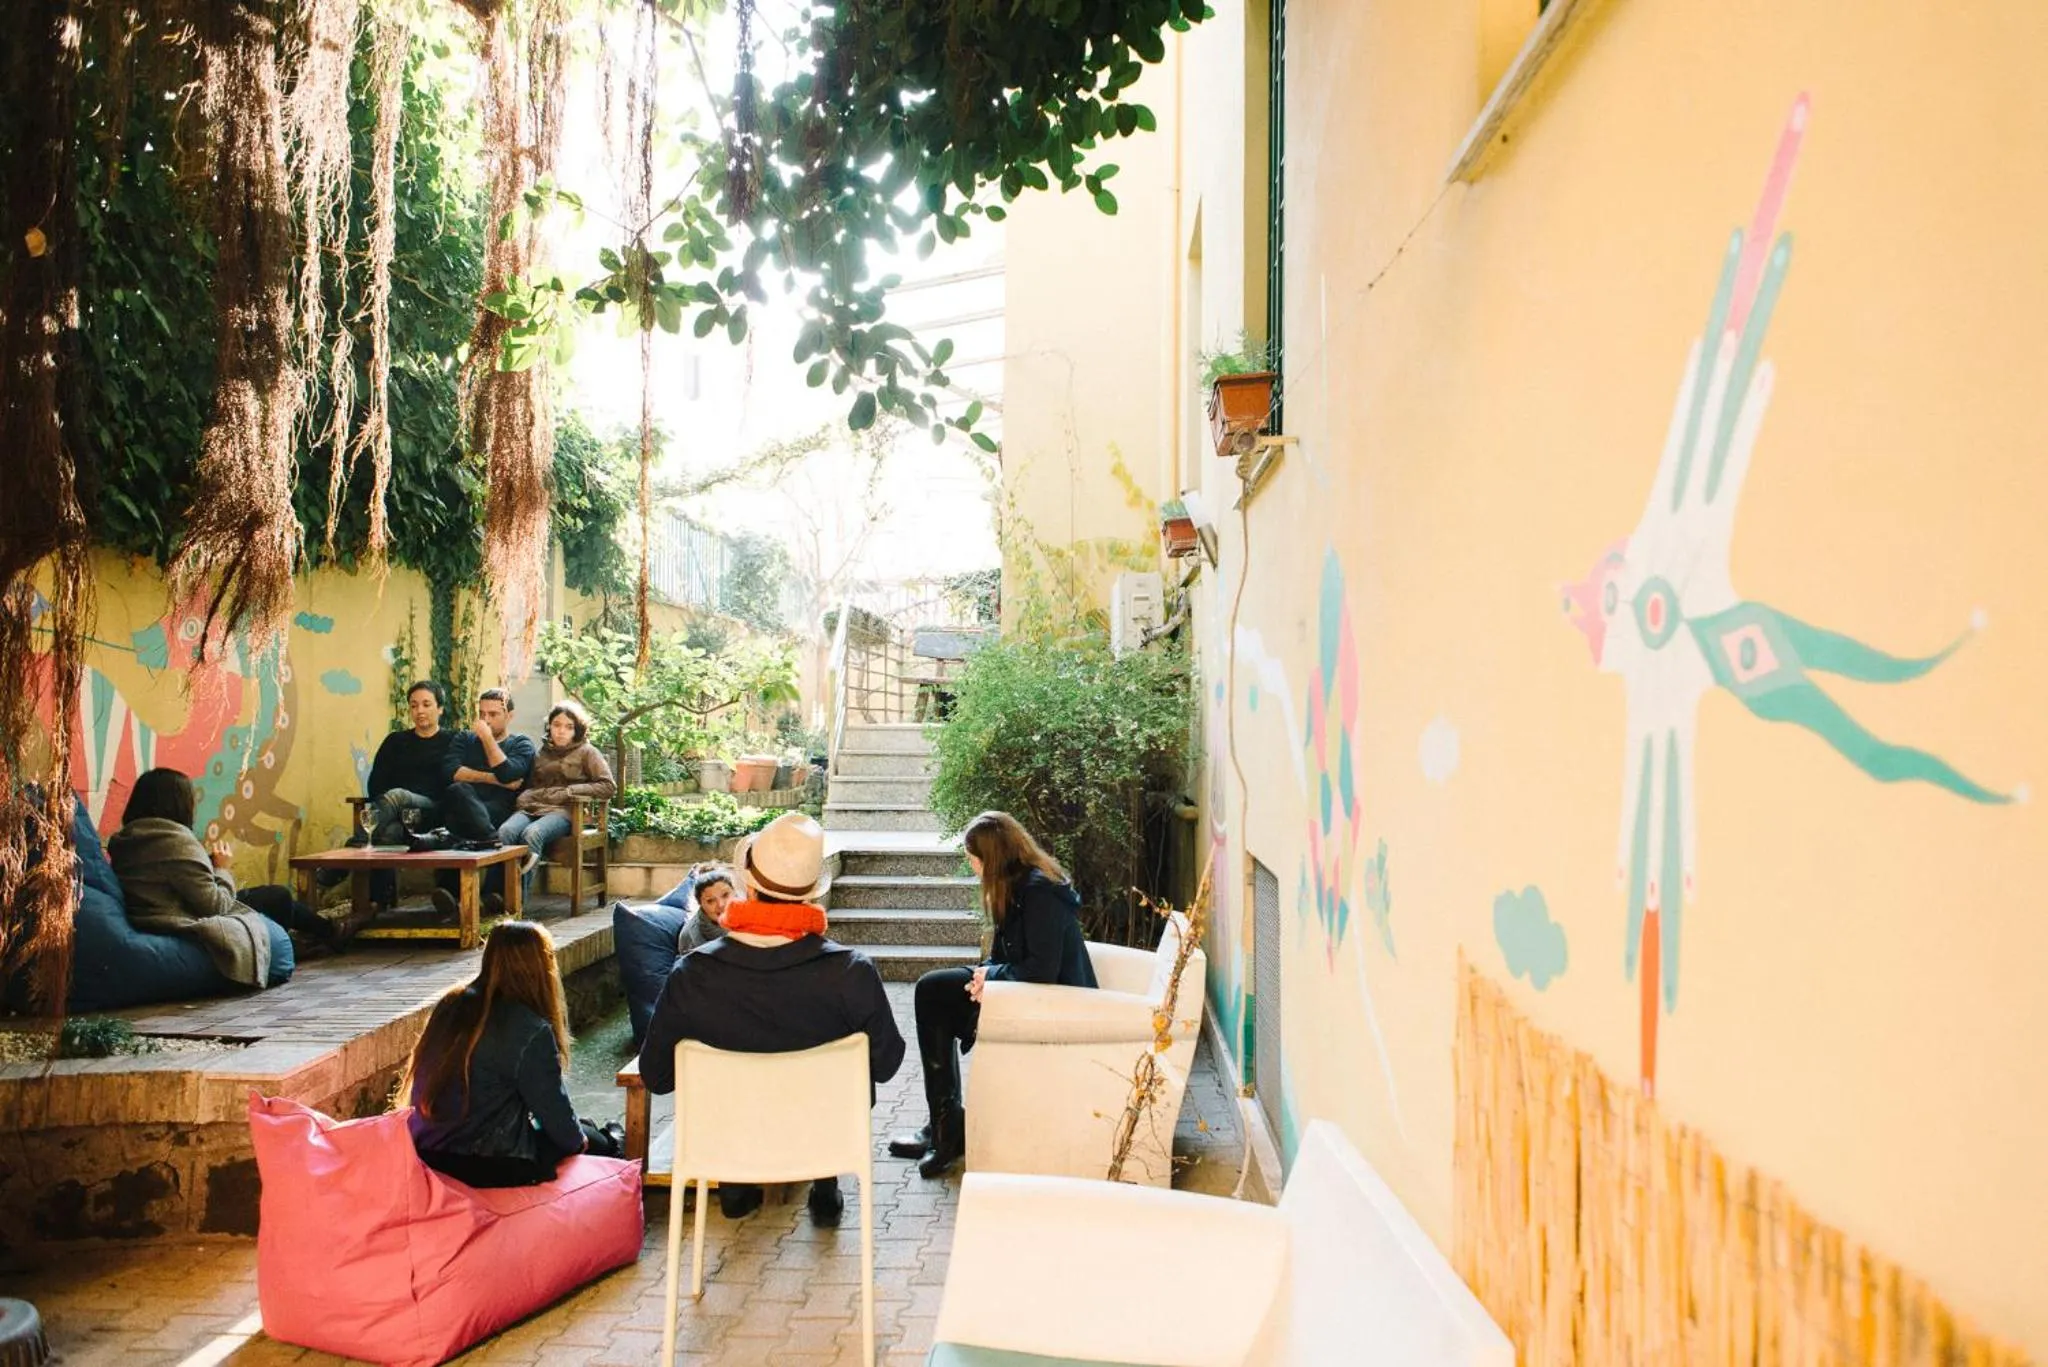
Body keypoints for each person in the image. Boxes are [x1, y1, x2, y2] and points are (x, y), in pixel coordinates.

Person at [638, 812, 903, 1226]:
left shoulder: (693, 974)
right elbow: (886, 1065)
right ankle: (825, 1183)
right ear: (811, 894)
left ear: (749, 886)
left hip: (729, 1141)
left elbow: (657, 1075)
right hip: (822, 1137)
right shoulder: (851, 972)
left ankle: (736, 1184)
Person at [890, 811, 1096, 1178]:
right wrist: (984, 976)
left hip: (1052, 1003)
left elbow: (1043, 969)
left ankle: (947, 1130)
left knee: (931, 991)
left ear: (993, 857)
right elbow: (1007, 956)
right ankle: (945, 1124)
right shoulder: (1014, 886)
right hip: (1023, 991)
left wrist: (991, 976)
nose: (971, 865)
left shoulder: (1039, 892)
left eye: (973, 857)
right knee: (933, 994)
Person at [403, 920, 621, 1188]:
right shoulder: (531, 1029)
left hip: (430, 1153)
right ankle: (616, 1143)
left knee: (583, 1127)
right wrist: (579, 1141)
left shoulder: (449, 1006)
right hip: (494, 1163)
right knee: (598, 1141)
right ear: (542, 969)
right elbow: (556, 1117)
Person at [106, 768, 359, 983]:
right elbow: (217, 906)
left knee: (273, 898)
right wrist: (222, 867)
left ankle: (323, 934)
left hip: (151, 915)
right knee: (278, 897)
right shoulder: (175, 841)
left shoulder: (127, 840)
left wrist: (206, 867)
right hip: (181, 919)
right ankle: (318, 937)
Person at [327, 680, 454, 906]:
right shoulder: (396, 741)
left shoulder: (453, 741)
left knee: (397, 795)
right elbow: (376, 785)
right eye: (414, 705)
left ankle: (352, 850)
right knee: (389, 832)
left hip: (434, 811)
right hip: (397, 816)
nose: (420, 711)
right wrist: (394, 811)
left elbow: (456, 783)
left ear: (440, 708)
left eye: (426, 704)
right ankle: (381, 904)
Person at [432, 688, 536, 918]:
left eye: (493, 714)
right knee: (458, 792)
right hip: (467, 808)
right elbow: (450, 772)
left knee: (459, 826)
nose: (485, 720)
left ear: (509, 716)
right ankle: (494, 857)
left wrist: (487, 739)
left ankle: (450, 892)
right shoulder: (464, 739)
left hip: (500, 810)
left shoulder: (521, 744)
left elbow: (509, 773)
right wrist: (494, 779)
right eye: (481, 714)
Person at [611, 863, 737, 1050]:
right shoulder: (691, 935)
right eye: (710, 901)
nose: (721, 905)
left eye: (726, 895)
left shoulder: (751, 917)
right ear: (701, 904)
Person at [498, 702, 616, 898]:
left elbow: (608, 786)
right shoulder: (541, 752)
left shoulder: (587, 752)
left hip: (564, 812)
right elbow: (529, 784)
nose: (561, 731)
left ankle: (517, 903)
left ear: (577, 730)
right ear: (549, 726)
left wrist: (570, 791)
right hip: (532, 807)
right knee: (505, 832)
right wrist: (525, 794)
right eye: (556, 725)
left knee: (532, 834)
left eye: (569, 727)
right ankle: (498, 896)